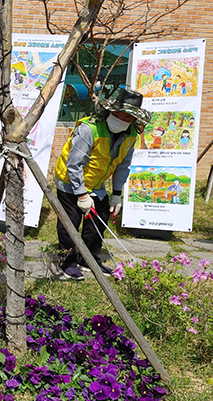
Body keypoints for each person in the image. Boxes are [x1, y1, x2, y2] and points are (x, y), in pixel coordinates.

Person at [54, 88, 152, 280]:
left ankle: (87, 259)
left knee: (100, 217)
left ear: (134, 120)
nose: (120, 119)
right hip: (69, 180)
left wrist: (116, 194)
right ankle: (67, 260)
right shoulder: (89, 129)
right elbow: (74, 165)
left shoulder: (131, 135)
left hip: (96, 184)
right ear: (109, 110)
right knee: (70, 221)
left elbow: (123, 166)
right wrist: (82, 195)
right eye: (116, 114)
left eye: (126, 117)